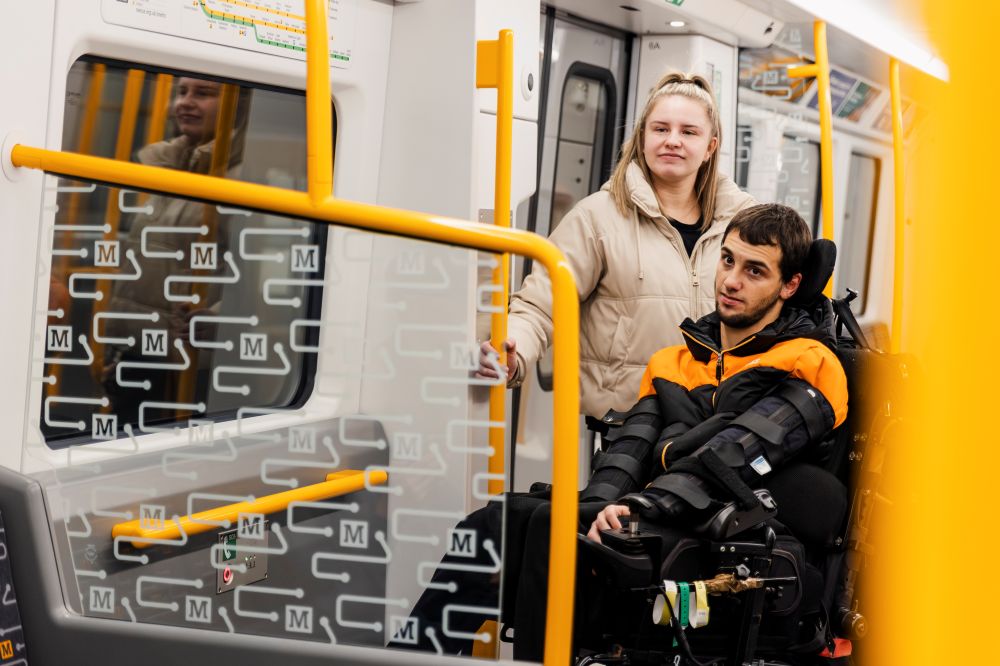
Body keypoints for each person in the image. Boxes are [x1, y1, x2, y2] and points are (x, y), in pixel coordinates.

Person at [393, 203, 848, 660]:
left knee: (555, 529)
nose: (731, 281)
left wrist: (635, 507)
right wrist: (598, 507)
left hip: (730, 533)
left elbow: (733, 455)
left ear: (789, 285)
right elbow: (631, 448)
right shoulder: (676, 361)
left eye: (755, 271)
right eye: (728, 260)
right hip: (662, 514)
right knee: (498, 520)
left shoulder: (810, 364)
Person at [478, 72, 757, 418]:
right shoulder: (598, 217)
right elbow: (541, 305)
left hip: (716, 422)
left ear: (710, 147)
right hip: (627, 423)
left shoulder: (743, 225)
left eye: (688, 132)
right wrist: (513, 352)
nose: (672, 140)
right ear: (642, 138)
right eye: (660, 129)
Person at [100, 77, 249, 425]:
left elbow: (258, 269)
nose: (186, 102)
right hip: (137, 351)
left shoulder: (243, 179)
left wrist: (220, 317)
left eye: (204, 93)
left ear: (237, 109)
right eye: (182, 92)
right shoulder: (170, 167)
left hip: (189, 361)